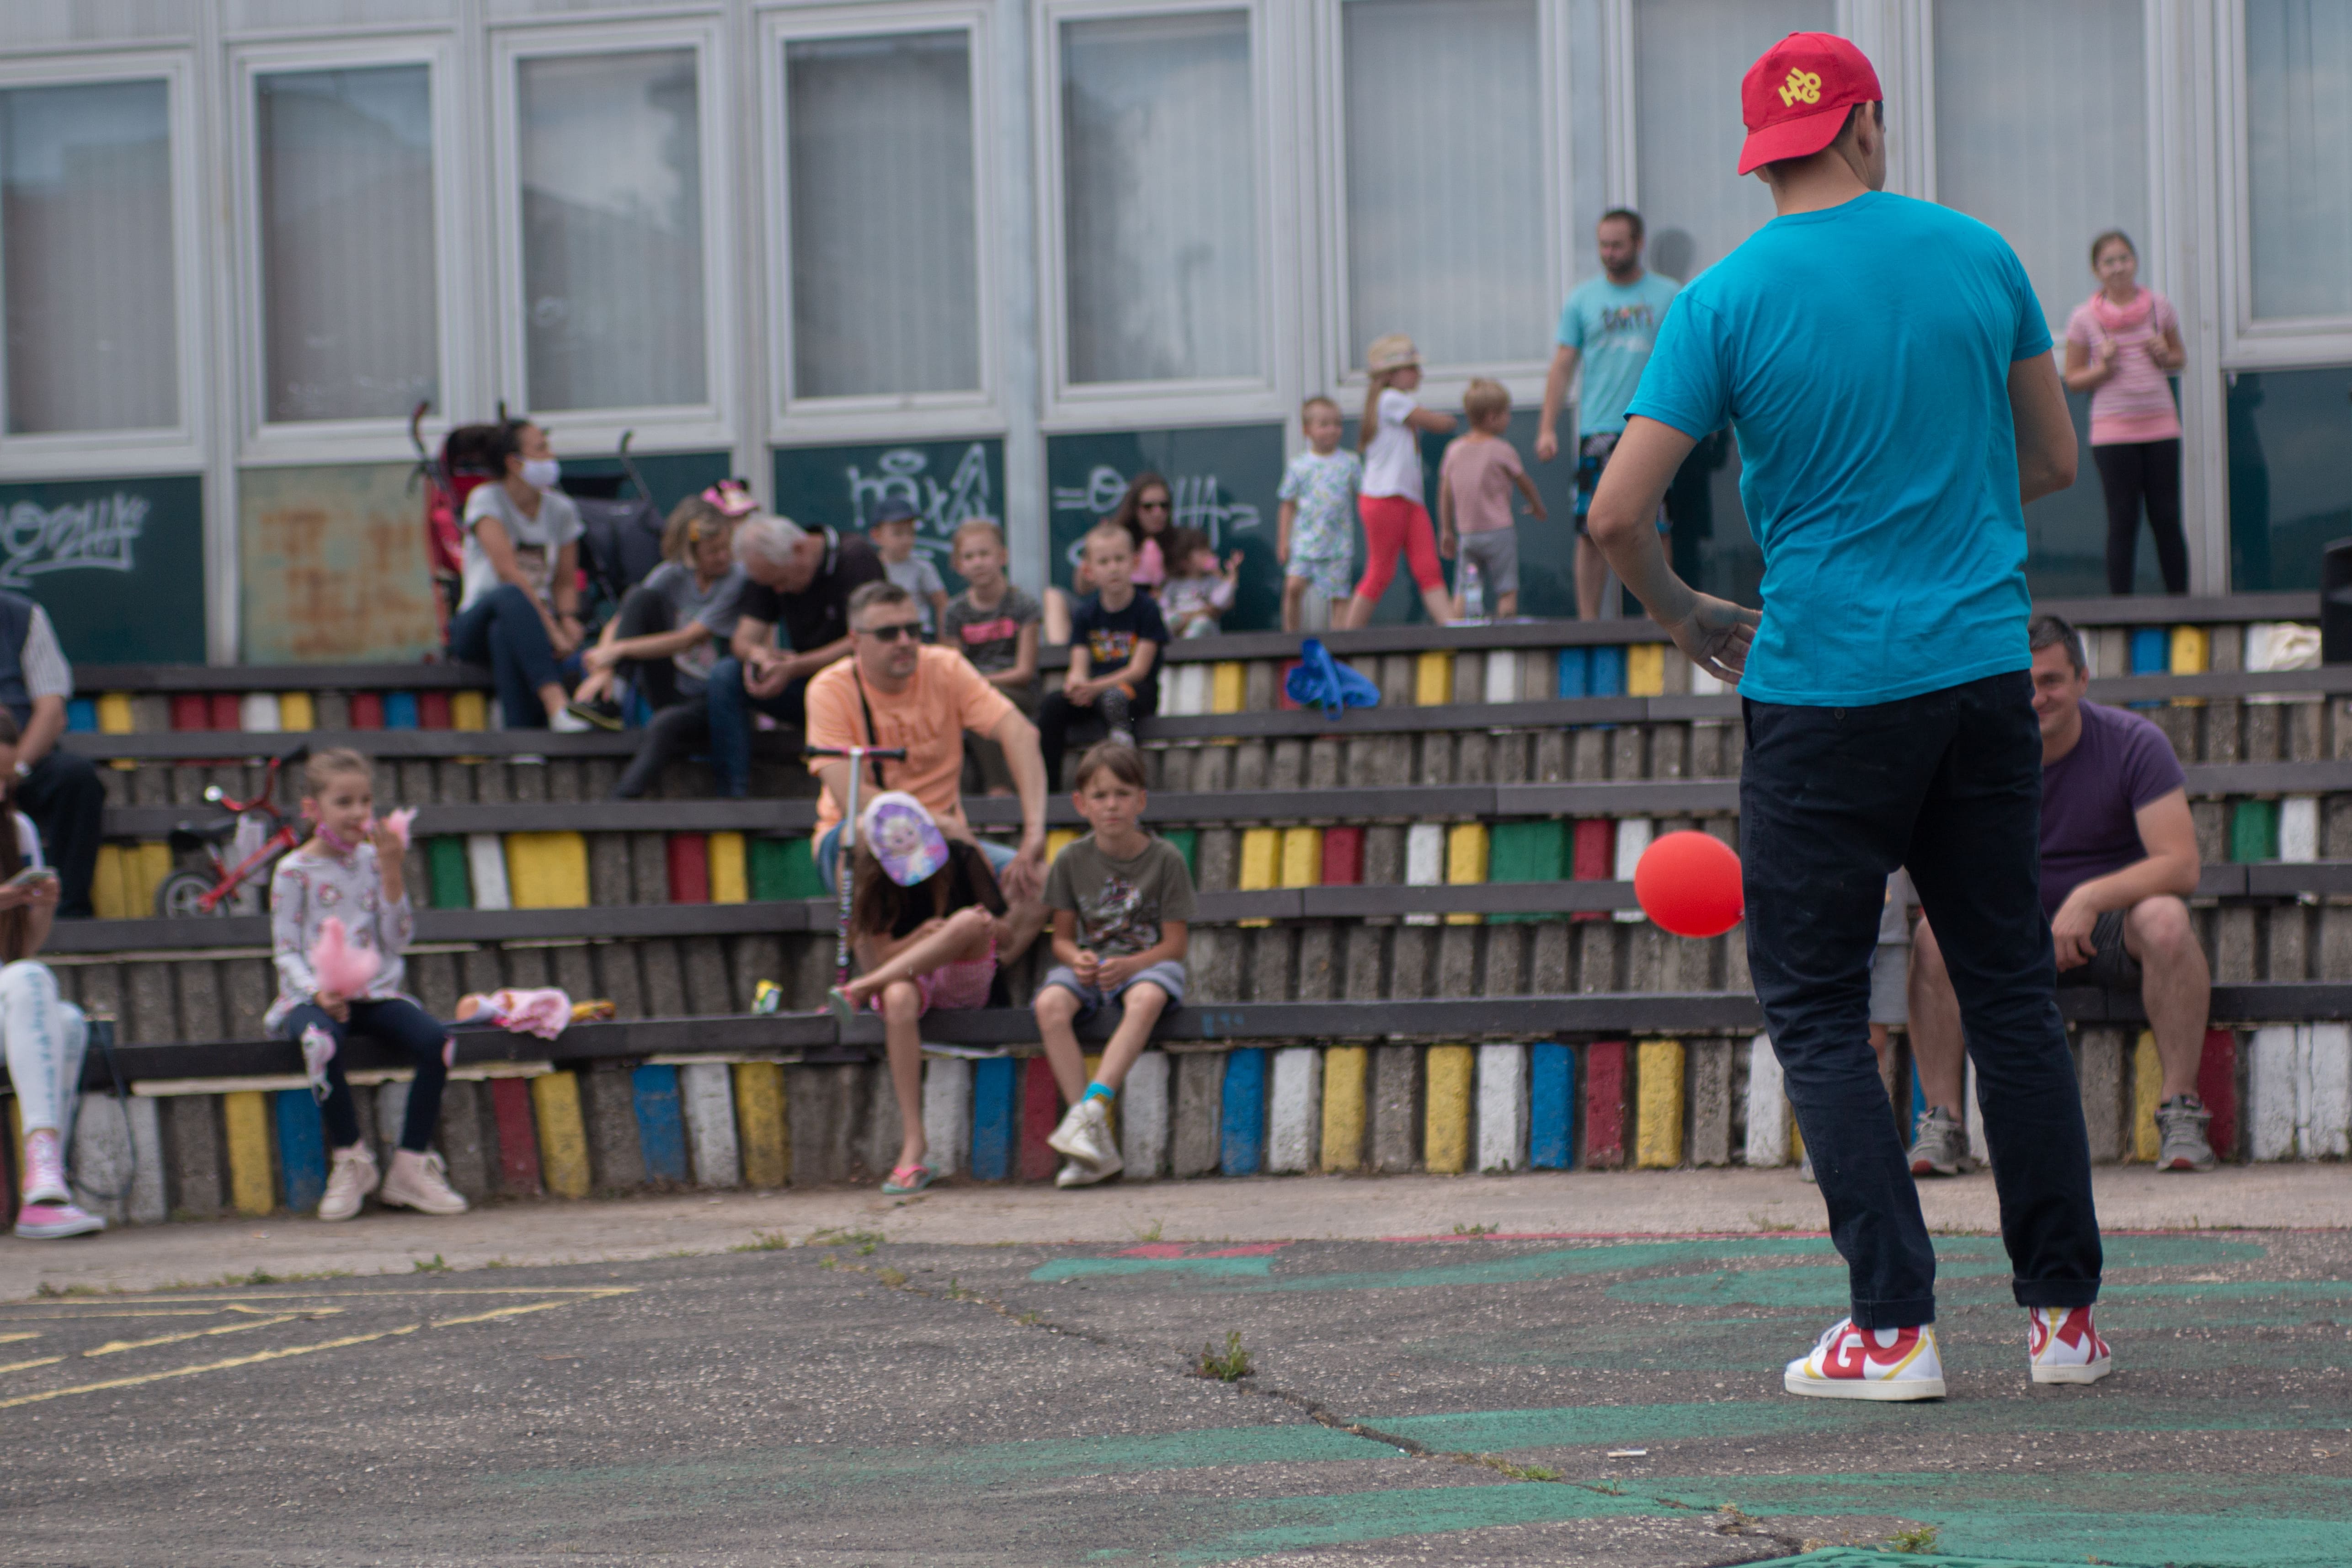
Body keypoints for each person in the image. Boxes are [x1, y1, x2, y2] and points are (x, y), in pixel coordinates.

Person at [1588, 32, 2103, 1402]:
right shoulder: (1979, 255)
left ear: (1760, 157)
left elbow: (1616, 513)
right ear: (1866, 125)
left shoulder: (1722, 298)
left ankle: (1892, 1327)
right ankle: (2062, 1321)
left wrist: (1683, 612)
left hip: (1820, 689)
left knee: (1816, 1006)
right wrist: (1947, 502)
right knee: (2007, 991)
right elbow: (2054, 458)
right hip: (1979, 671)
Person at [1909, 614, 2213, 1174]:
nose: (2036, 697)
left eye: (2051, 681)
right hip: (2013, 927)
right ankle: (1942, 1121)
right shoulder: (1976, 755)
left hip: (2111, 930)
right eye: (2024, 683)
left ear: (2083, 679)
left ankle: (2181, 1108)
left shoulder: (2133, 742)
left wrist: (2090, 898)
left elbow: (2182, 864)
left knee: (2167, 918)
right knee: (1932, 937)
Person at [267, 749, 468, 1221]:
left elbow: (398, 940)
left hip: (374, 994)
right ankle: (352, 1160)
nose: (358, 812)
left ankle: (410, 1167)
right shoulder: (293, 871)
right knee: (319, 1043)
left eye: (365, 801)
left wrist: (392, 870)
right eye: (344, 802)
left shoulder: (375, 861)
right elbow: (286, 950)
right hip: (313, 998)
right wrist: (316, 992)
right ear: (313, 808)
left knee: (439, 1042)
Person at [803, 582, 1050, 932]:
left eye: (913, 629)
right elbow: (851, 798)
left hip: (947, 842)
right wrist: (942, 826)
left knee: (1041, 882)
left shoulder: (946, 667)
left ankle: (984, 961)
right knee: (862, 834)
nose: (905, 641)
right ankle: (897, 966)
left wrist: (1035, 832)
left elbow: (1021, 734)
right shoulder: (829, 689)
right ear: (855, 640)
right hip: (867, 835)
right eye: (888, 633)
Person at [827, 792, 1017, 1195]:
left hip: (963, 976)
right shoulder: (876, 878)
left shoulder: (962, 857)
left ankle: (861, 989)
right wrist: (920, 937)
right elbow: (883, 955)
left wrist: (980, 926)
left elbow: (1007, 935)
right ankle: (913, 1142)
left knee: (966, 922)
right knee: (896, 996)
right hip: (911, 982)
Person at [1038, 742, 1194, 1188]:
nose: (1111, 805)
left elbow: (1176, 945)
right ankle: (1090, 1140)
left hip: (1148, 965)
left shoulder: (1166, 859)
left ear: (1141, 800)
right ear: (1081, 804)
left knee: (1146, 997)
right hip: (1094, 968)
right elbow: (1062, 940)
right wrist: (1078, 959)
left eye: (1123, 794)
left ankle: (1089, 1112)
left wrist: (1131, 965)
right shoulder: (1070, 859)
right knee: (1049, 1004)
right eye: (1100, 795)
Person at [1536, 209, 1681, 621]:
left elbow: (1686, 358)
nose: (1609, 253)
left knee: (1655, 526)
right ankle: (1588, 624)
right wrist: (1546, 427)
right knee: (1589, 529)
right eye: (1603, 245)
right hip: (1597, 429)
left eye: (1617, 245)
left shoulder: (1669, 294)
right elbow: (1563, 364)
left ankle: (1660, 621)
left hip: (1652, 428)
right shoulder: (1582, 299)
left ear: (1638, 244)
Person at [0, 710, 99, 1238]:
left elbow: (21, 952)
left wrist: (40, 907)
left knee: (68, 1020)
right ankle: (44, 1184)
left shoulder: (18, 829)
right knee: (29, 981)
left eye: (5, 779)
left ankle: (45, 1187)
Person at [705, 514, 886, 798]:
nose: (778, 591)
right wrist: (761, 658)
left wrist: (796, 667)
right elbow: (743, 639)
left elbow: (867, 639)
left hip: (854, 687)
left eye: (782, 581)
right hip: (804, 685)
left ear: (800, 549)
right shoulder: (768, 570)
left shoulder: (855, 559)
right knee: (725, 675)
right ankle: (733, 795)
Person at [589, 497, 751, 799]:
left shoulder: (737, 579)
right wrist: (603, 668)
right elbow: (623, 618)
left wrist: (620, 650)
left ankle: (621, 800)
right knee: (639, 597)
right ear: (690, 553)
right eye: (713, 552)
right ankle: (614, 696)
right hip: (674, 686)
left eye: (726, 548)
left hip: (713, 698)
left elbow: (690, 638)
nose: (723, 557)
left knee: (664, 725)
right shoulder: (672, 574)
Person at [446, 419, 593, 732]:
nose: (551, 456)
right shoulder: (486, 499)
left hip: (524, 629)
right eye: (541, 449)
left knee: (503, 632)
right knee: (510, 597)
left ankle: (521, 743)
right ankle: (556, 704)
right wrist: (552, 631)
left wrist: (569, 620)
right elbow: (508, 572)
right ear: (514, 462)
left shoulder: (562, 510)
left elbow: (565, 582)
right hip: (474, 624)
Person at [2063, 231, 2189, 595]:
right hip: (2112, 433)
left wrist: (2164, 354)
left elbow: (2179, 358)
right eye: (2109, 262)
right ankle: (2121, 611)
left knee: (2167, 518)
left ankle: (2181, 606)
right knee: (2122, 521)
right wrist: (2103, 368)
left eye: (2124, 259)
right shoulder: (2084, 318)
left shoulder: (2159, 307)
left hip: (2161, 426)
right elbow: (2073, 379)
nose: (2118, 268)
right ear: (2096, 270)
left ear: (2135, 262)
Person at [1036, 524, 1168, 789]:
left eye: (1120, 559)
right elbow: (1079, 665)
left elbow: (1139, 670)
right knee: (1053, 705)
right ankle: (1049, 789)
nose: (1113, 568)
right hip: (1096, 691)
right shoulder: (1086, 614)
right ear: (1089, 571)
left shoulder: (1147, 610)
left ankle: (1127, 776)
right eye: (1104, 562)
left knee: (1114, 698)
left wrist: (1094, 687)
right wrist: (1077, 685)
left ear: (1135, 563)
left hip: (1136, 692)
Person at [1340, 335, 1456, 629]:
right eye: (1412, 368)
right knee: (1380, 572)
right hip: (1385, 498)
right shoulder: (1391, 400)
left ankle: (1452, 628)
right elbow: (1436, 423)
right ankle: (1347, 639)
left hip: (1408, 499)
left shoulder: (1393, 402)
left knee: (1428, 568)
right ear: (1391, 375)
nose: (1419, 374)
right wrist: (1455, 419)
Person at [0, 590, 102, 918]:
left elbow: (52, 713)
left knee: (75, 778)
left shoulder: (22, 616)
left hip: (21, 766)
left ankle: (68, 910)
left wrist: (13, 771)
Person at [940, 519, 1041, 797]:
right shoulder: (954, 612)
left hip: (1018, 693)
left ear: (1002, 557)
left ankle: (999, 787)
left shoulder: (1024, 605)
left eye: (984, 554)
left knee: (980, 703)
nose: (978, 563)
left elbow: (1025, 671)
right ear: (958, 565)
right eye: (969, 557)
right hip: (972, 692)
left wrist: (980, 684)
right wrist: (975, 686)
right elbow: (953, 667)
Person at [1438, 379, 1546, 620]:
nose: (1509, 418)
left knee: (1464, 589)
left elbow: (1445, 493)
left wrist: (1446, 530)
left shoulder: (1454, 450)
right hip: (1499, 532)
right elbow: (1524, 481)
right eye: (1506, 413)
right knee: (1507, 589)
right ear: (1492, 417)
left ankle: (1459, 634)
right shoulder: (1502, 449)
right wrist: (1537, 506)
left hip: (1468, 533)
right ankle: (1506, 633)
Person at [1044, 474, 1173, 645]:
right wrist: (1097, 551)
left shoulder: (1181, 542)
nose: (1158, 513)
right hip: (1107, 613)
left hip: (1154, 615)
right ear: (1134, 508)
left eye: (1164, 506)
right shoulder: (1115, 537)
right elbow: (1082, 588)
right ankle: (1060, 657)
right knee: (1053, 596)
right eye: (1148, 507)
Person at [1276, 397, 1362, 632]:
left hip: (1338, 544)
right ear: (1307, 430)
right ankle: (1290, 637)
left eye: (1337, 424)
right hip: (1305, 543)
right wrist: (1283, 541)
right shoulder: (1299, 465)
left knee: (1339, 596)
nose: (1332, 430)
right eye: (1324, 425)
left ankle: (1339, 644)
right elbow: (1287, 504)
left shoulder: (1350, 463)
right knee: (1293, 587)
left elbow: (1363, 497)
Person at [871, 500, 949, 637]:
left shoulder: (923, 567)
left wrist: (943, 639)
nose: (906, 540)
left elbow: (942, 603)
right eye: (898, 534)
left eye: (911, 533)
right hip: (883, 636)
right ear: (877, 536)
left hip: (919, 634)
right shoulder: (869, 567)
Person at [1157, 528, 1240, 639]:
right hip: (1179, 624)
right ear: (1184, 561)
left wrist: (1231, 577)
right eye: (1203, 554)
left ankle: (1189, 647)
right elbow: (1164, 604)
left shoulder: (1211, 581)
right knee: (1167, 620)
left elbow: (1221, 601)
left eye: (1209, 552)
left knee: (1200, 624)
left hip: (1204, 625)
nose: (1209, 556)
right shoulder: (1174, 584)